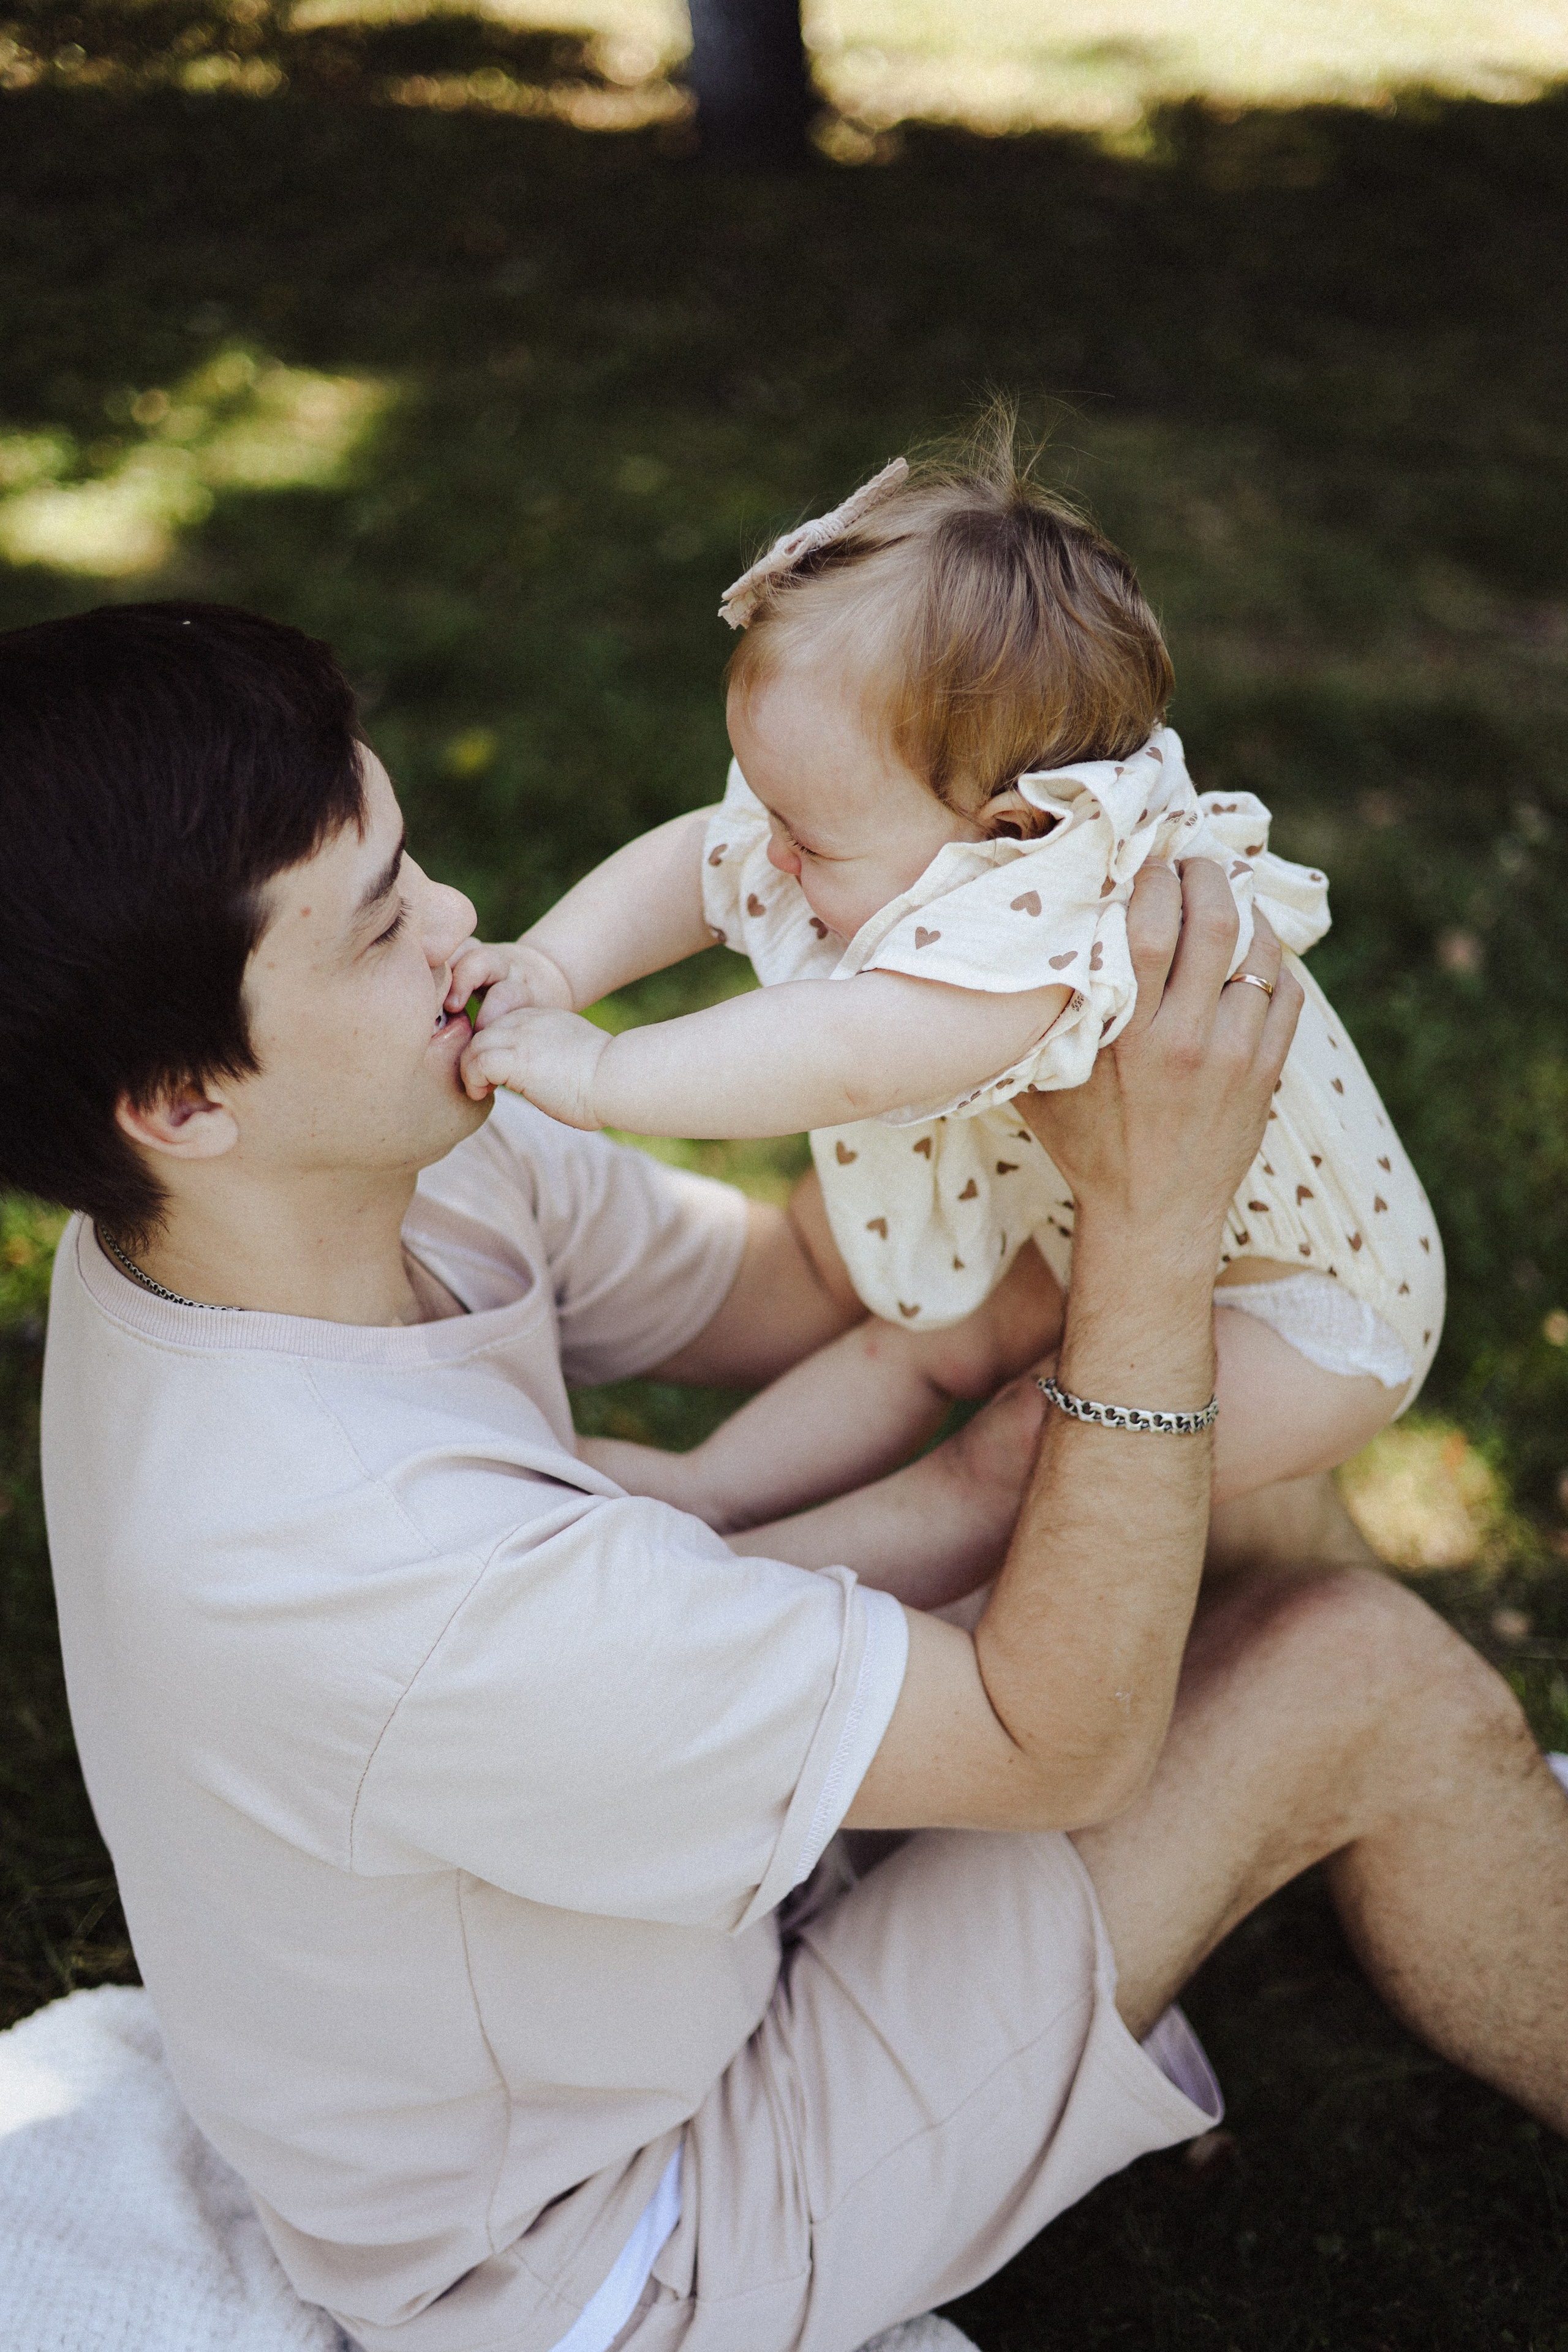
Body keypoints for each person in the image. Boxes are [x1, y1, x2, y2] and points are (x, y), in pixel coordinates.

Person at [2, 601, 1563, 2352]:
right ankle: (1429, 1815)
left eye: (410, 856)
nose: (457, 924)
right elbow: (1066, 1739)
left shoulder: (303, 1191)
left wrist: (982, 1013)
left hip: (640, 1930)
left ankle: (1443, 1859)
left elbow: (818, 1279)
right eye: (378, 927)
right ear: (182, 1098)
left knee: (1233, 1417)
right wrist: (1147, 1222)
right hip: (619, 2236)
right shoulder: (375, 1576)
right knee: (1356, 1669)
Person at [450, 420, 1442, 1519]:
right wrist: (553, 961)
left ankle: (893, 1626)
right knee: (925, 1340)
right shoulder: (931, 818)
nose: (771, 855)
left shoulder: (1053, 925)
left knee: (1029, 1461)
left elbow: (846, 1056)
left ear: (1007, 831)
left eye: (811, 841)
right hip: (1080, 1220)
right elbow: (702, 858)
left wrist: (599, 1078)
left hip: (1315, 1316)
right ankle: (709, 1490)